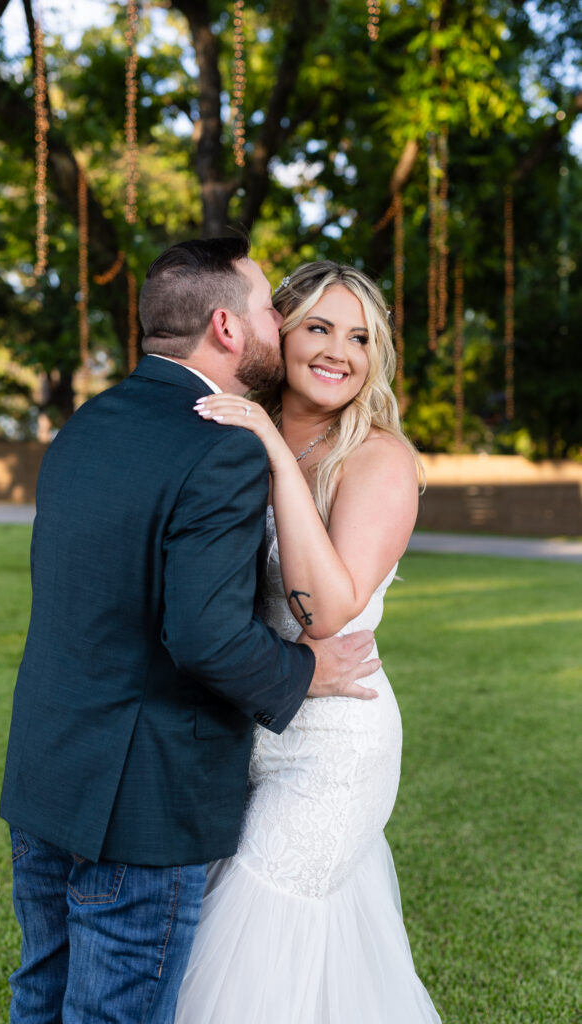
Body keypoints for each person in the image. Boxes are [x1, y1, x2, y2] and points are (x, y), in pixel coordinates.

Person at [0, 238, 382, 1024]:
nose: (282, 324)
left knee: (40, 993)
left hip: (48, 776)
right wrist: (308, 672)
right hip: (139, 796)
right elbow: (204, 637)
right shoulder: (219, 445)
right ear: (227, 327)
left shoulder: (89, 425)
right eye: (272, 312)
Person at [175, 261, 441, 1023]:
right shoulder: (225, 427)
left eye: (359, 336)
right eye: (318, 327)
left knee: (252, 944)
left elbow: (324, 613)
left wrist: (271, 448)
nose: (338, 351)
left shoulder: (378, 459)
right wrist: (256, 432)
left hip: (331, 747)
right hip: (240, 726)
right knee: (303, 962)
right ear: (278, 331)